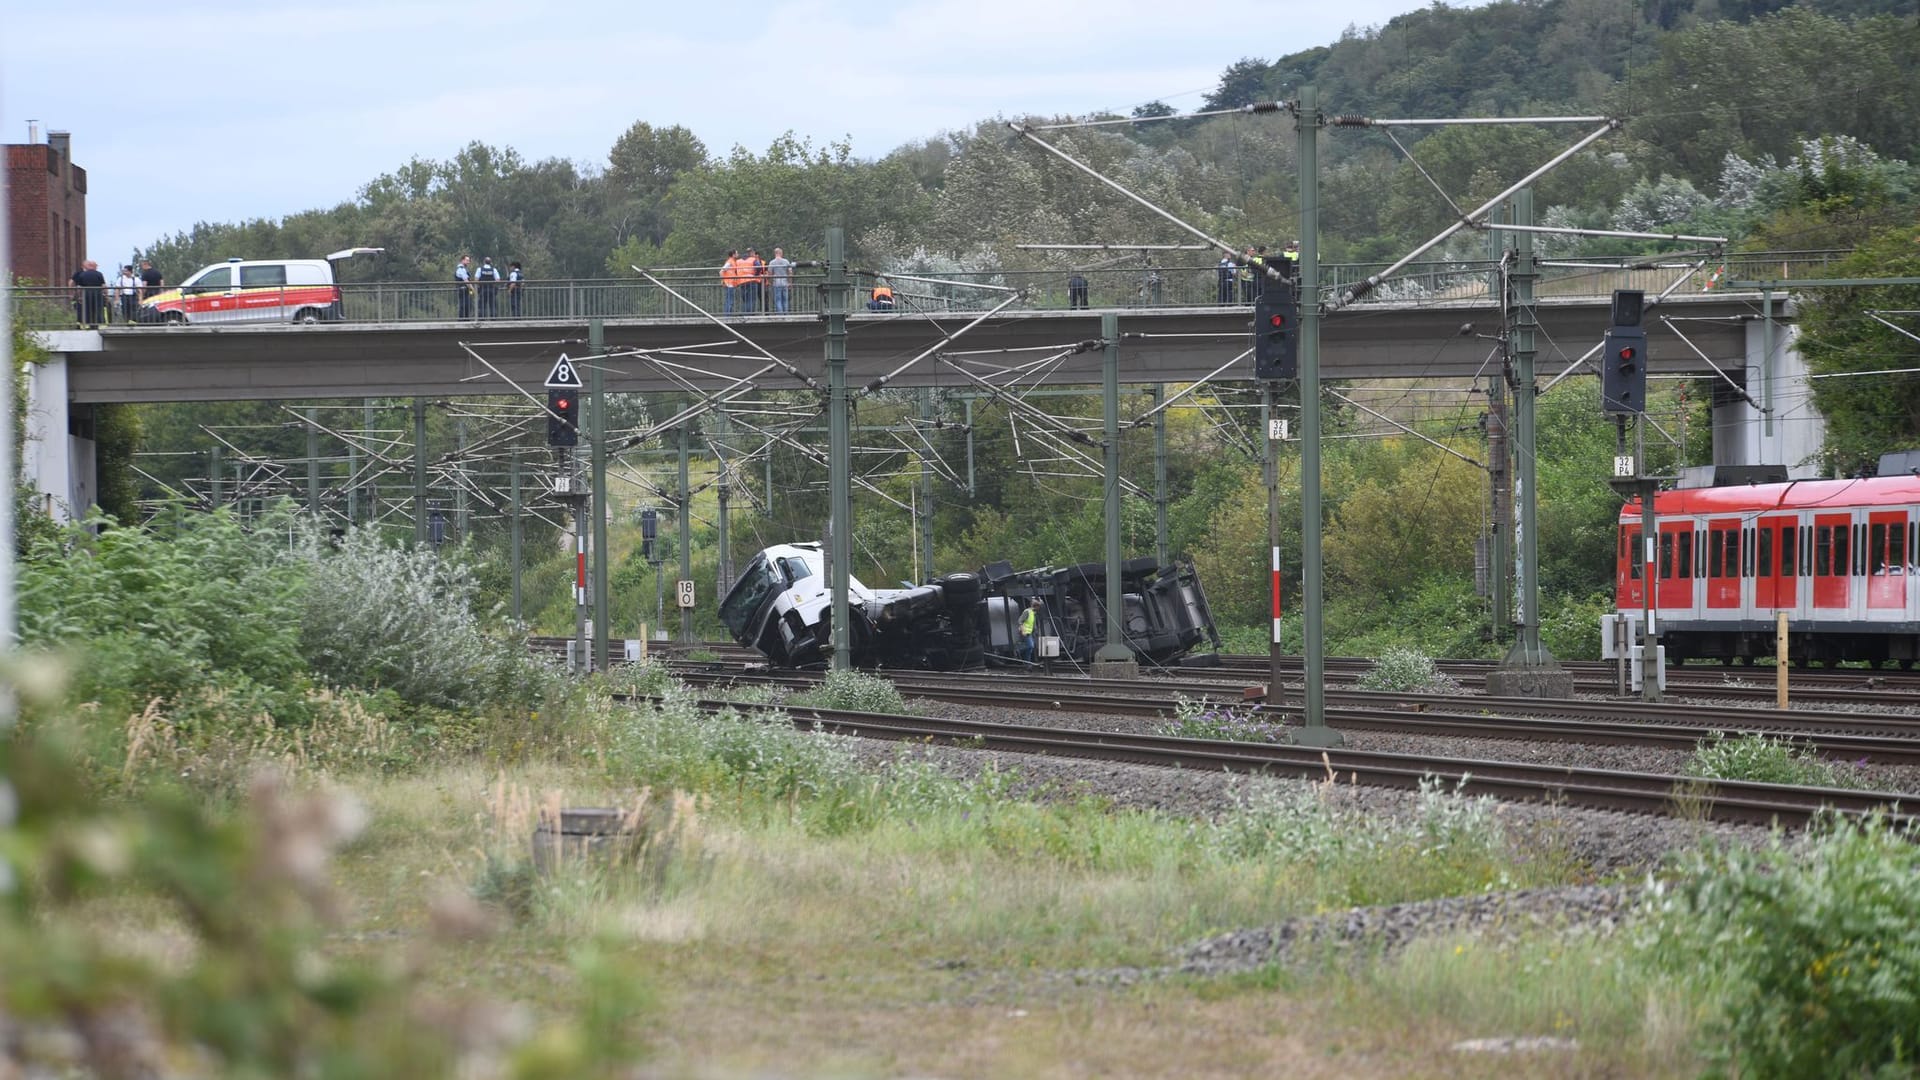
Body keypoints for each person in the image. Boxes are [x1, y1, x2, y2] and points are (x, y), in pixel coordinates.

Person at [71, 260, 107, 327]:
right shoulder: (99, 274)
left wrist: (79, 296)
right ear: (93, 266)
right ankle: (100, 324)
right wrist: (105, 295)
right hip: (97, 294)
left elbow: (79, 287)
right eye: (96, 266)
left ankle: (87, 325)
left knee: (87, 310)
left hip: (86, 294)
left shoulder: (82, 274)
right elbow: (104, 286)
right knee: (98, 309)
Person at [767, 247, 793, 313]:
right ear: (780, 253)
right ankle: (786, 314)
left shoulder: (772, 262)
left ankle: (780, 315)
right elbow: (790, 272)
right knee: (785, 300)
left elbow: (769, 273)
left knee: (778, 300)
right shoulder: (786, 261)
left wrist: (770, 282)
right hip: (785, 282)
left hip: (776, 283)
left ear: (775, 253)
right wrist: (790, 282)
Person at [1018, 598, 1042, 662]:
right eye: (1038, 607)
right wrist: (1023, 631)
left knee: (1031, 648)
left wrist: (1036, 631)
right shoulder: (1027, 612)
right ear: (1036, 606)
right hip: (1025, 632)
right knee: (1030, 646)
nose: (1039, 609)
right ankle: (1021, 651)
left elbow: (1032, 623)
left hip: (1030, 633)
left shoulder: (1033, 613)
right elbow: (1020, 621)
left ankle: (1027, 663)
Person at [741, 248, 763, 313]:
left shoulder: (740, 260)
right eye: (753, 253)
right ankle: (749, 314)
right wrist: (756, 275)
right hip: (751, 281)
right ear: (751, 253)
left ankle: (744, 314)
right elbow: (759, 267)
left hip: (742, 281)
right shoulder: (753, 260)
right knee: (751, 299)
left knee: (745, 300)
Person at [720, 249, 741, 314]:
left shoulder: (732, 261)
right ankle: (727, 315)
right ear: (733, 254)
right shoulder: (729, 262)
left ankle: (728, 314)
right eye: (737, 253)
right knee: (729, 300)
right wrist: (723, 281)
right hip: (729, 284)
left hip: (731, 283)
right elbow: (721, 271)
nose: (738, 254)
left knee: (729, 300)